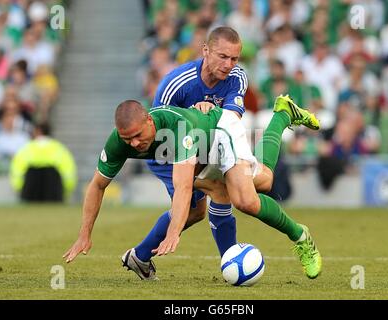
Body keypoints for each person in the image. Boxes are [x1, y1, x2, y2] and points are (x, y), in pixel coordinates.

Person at [63, 95, 322, 280]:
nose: (132, 143)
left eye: (137, 136)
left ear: (150, 123)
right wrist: (85, 233)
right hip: (197, 156)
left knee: (250, 196)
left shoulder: (178, 128)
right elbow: (97, 185)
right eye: (126, 138)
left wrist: (174, 232)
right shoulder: (120, 141)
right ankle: (143, 257)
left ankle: (300, 235)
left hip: (220, 132)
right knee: (212, 200)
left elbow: (183, 186)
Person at [145, 26, 248, 261]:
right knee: (194, 210)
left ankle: (230, 262)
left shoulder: (237, 77)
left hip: (204, 149)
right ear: (205, 51)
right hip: (168, 151)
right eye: (223, 56)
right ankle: (140, 255)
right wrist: (193, 116)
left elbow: (232, 119)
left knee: (205, 205)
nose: (229, 64)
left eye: (234, 58)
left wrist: (209, 115)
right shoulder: (177, 83)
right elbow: (158, 128)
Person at [10, 122, 77, 202]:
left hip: (31, 192)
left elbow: (17, 171)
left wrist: (20, 189)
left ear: (37, 131)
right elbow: (68, 173)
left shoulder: (26, 148)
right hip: (53, 191)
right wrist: (65, 191)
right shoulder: (60, 149)